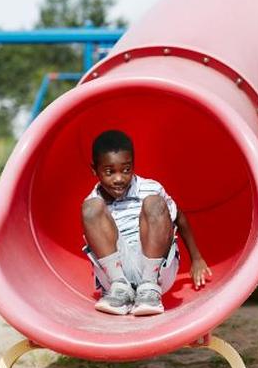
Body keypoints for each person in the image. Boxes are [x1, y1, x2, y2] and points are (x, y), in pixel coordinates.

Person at [82, 130, 211, 316]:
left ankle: (149, 289)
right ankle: (119, 290)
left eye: (126, 170)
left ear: (133, 165)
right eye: (109, 172)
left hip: (155, 265)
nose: (119, 179)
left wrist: (197, 259)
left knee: (154, 202)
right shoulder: (94, 201)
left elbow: (180, 217)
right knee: (90, 208)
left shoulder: (150, 187)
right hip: (115, 272)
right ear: (94, 170)